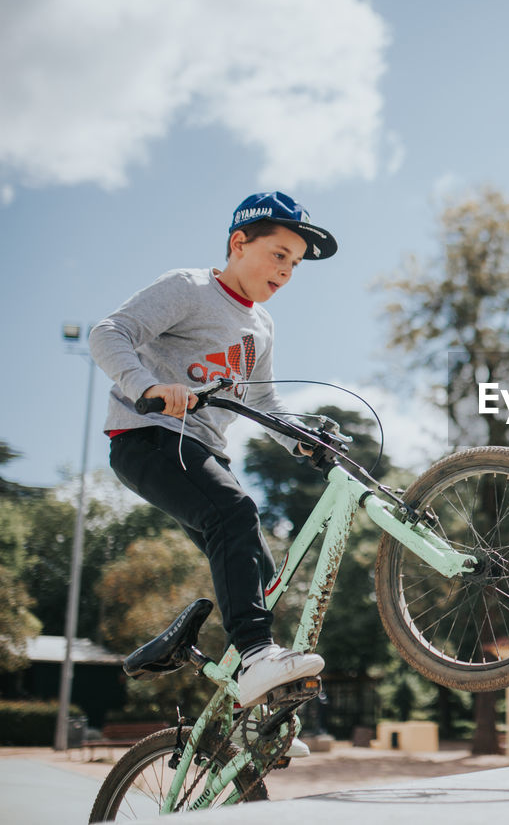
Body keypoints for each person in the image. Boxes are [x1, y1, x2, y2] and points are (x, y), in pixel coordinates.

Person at [89, 192, 336, 754]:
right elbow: (109, 332)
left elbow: (266, 403)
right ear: (238, 243)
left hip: (202, 454)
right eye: (278, 255)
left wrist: (305, 441)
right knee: (234, 511)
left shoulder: (262, 327)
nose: (287, 272)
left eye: (295, 264)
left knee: (264, 573)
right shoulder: (191, 289)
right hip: (148, 438)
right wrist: (147, 387)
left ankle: (247, 718)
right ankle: (253, 655)